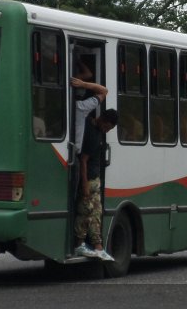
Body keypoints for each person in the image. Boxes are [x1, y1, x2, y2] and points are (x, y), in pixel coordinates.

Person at [71, 77, 118, 262]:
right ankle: (80, 243)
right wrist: (84, 184)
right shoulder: (82, 109)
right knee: (86, 210)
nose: (107, 131)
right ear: (103, 120)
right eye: (108, 127)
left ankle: (98, 247)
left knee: (95, 212)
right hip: (87, 177)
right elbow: (104, 90)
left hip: (94, 177)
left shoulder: (92, 124)